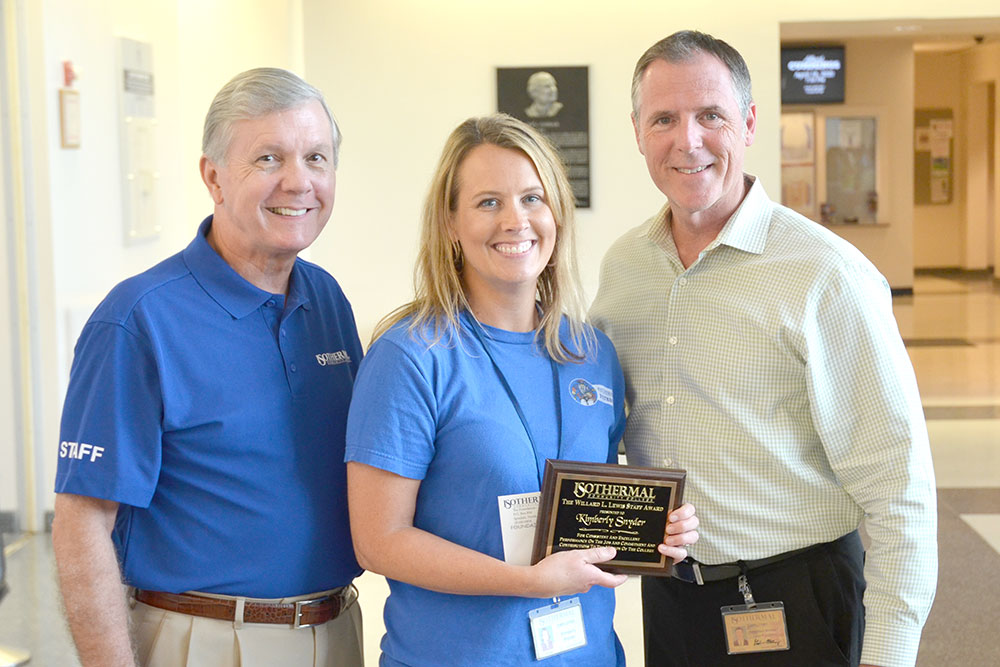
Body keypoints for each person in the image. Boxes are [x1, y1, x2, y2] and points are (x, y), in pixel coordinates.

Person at [590, 30, 937, 667]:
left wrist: (890, 655)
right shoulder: (624, 270)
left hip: (798, 598)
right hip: (671, 600)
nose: (686, 140)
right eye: (663, 118)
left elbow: (899, 484)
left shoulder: (825, 273)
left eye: (710, 116)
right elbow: (604, 425)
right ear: (637, 130)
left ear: (748, 123)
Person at [344, 113, 698, 666]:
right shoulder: (411, 356)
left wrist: (647, 537)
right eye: (488, 202)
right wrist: (525, 581)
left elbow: (587, 522)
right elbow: (379, 540)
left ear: (557, 212)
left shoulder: (592, 353)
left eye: (533, 198)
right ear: (450, 223)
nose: (516, 220)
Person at [52, 68, 364, 667]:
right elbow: (83, 521)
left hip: (336, 628)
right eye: (269, 158)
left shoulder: (326, 300)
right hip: (206, 639)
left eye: (317, 158)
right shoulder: (138, 320)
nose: (299, 182)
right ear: (213, 176)